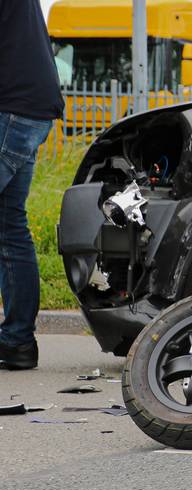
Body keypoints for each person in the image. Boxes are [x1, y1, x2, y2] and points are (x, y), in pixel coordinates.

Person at [0, 0, 64, 370]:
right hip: (32, 106)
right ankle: (17, 342)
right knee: (9, 226)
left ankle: (17, 339)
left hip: (12, 107)